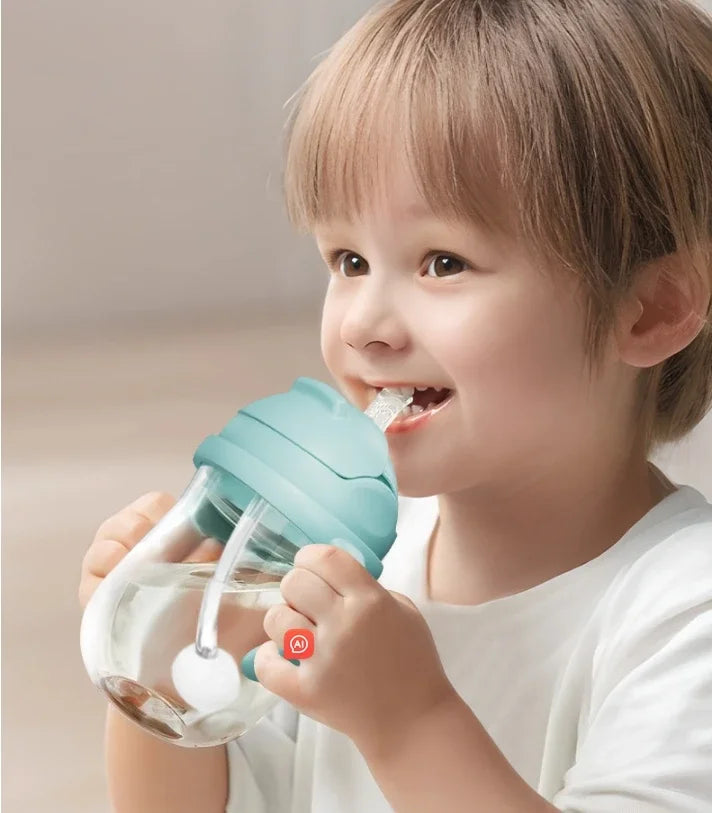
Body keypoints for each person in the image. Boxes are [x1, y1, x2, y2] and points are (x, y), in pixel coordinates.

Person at [78, 0, 712, 810]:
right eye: (347, 258)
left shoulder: (684, 615)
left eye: (443, 261)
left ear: (649, 309)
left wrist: (411, 722)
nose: (365, 325)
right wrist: (155, 675)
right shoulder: (338, 573)